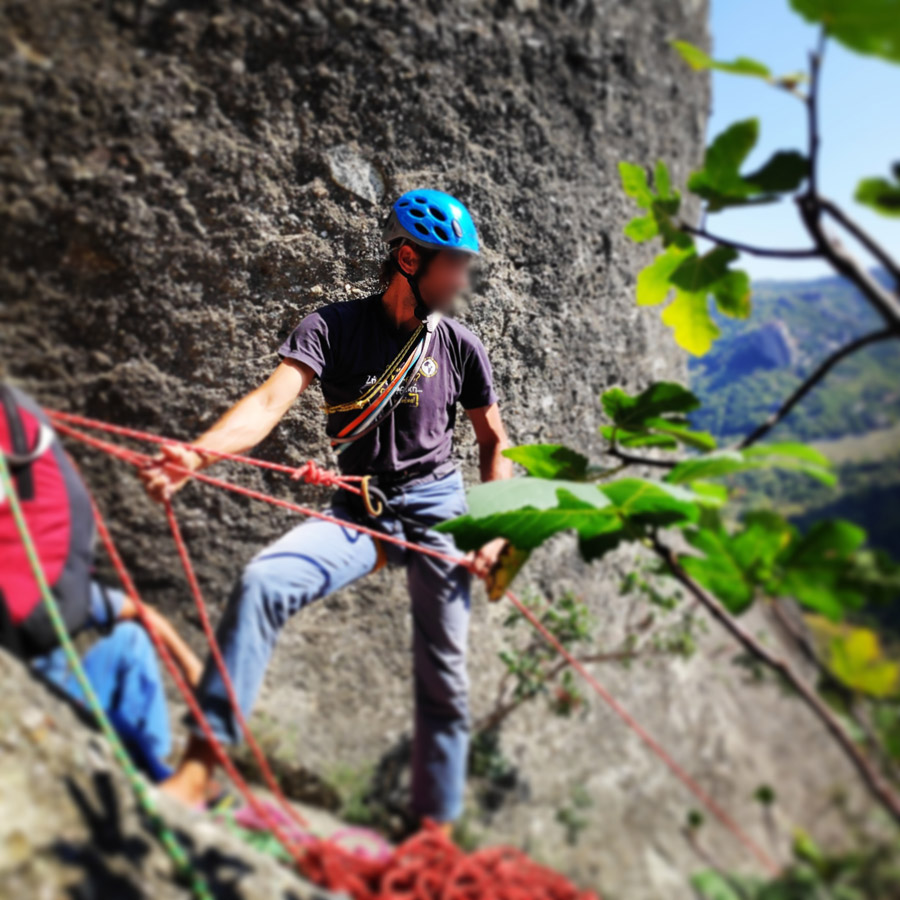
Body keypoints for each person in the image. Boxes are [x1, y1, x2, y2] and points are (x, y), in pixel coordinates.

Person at [141, 189, 512, 828]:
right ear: (408, 260)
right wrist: (196, 456)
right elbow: (267, 403)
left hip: (439, 507)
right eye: (453, 263)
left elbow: (494, 441)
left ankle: (434, 831)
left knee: (443, 673)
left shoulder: (459, 346)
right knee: (264, 582)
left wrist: (493, 528)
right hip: (363, 505)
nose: (462, 278)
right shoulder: (333, 328)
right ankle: (203, 765)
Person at [0, 383, 202, 782]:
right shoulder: (37, 579)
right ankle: (150, 774)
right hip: (37, 692)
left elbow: (142, 614)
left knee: (131, 640)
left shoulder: (52, 583)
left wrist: (193, 668)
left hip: (52, 677)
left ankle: (153, 769)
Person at [32, 581, 202, 782]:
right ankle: (150, 769)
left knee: (131, 637)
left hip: (57, 692)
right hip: (36, 705)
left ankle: (152, 758)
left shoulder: (52, 583)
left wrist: (190, 664)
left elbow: (139, 611)